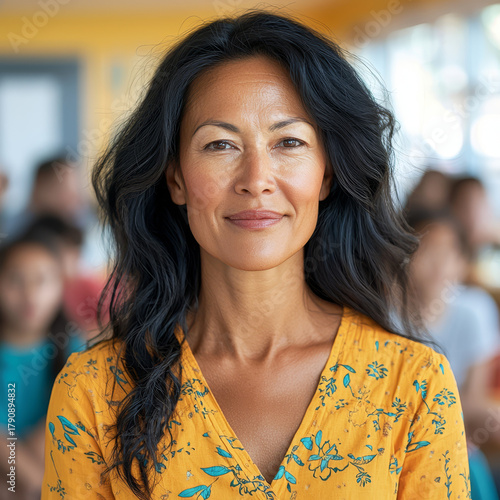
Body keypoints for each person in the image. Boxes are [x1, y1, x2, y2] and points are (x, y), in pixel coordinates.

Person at [41, 9, 470, 499]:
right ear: (176, 178)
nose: (256, 180)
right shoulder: (94, 393)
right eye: (220, 145)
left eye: (289, 142)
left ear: (326, 173)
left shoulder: (413, 384)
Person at [406, 207, 500, 499]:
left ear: (462, 262)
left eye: (449, 253)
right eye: (427, 251)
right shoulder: (383, 313)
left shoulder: (475, 309)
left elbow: (474, 397)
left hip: (456, 436)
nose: (438, 264)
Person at [0, 229, 86, 499]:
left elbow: (64, 418)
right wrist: (25, 477)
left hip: (48, 466)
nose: (29, 293)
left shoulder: (73, 349)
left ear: (61, 286)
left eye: (41, 280)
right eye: (15, 279)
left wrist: (30, 479)